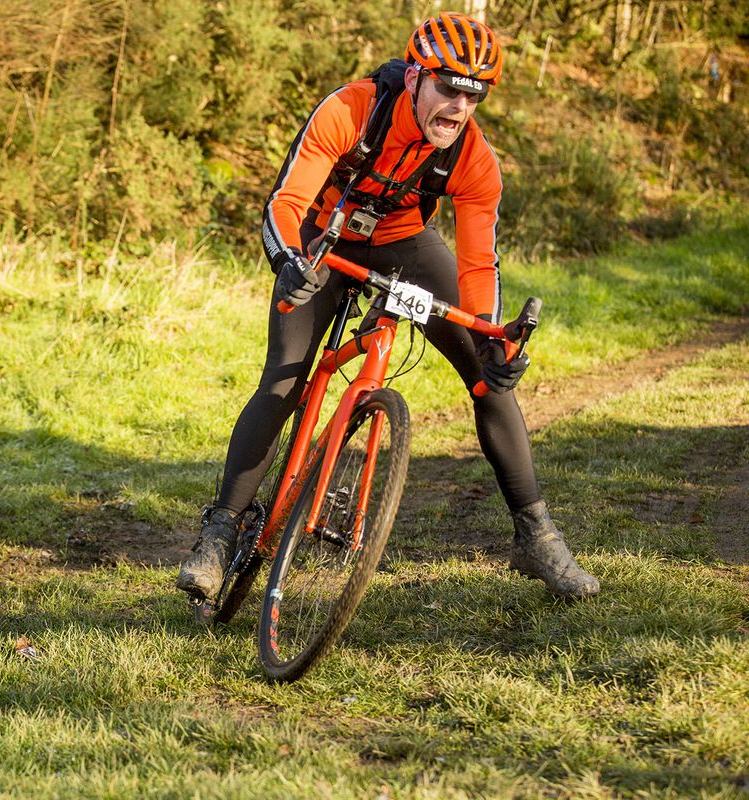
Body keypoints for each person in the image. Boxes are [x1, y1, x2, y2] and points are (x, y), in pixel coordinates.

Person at [176, 12, 600, 603]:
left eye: (473, 97)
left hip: (404, 242)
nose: (458, 107)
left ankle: (536, 536)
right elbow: (288, 197)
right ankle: (218, 535)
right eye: (448, 89)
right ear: (415, 79)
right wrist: (289, 260)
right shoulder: (351, 109)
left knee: (489, 379)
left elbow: (479, 264)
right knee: (285, 381)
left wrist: (495, 340)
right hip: (323, 237)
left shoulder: (475, 160)